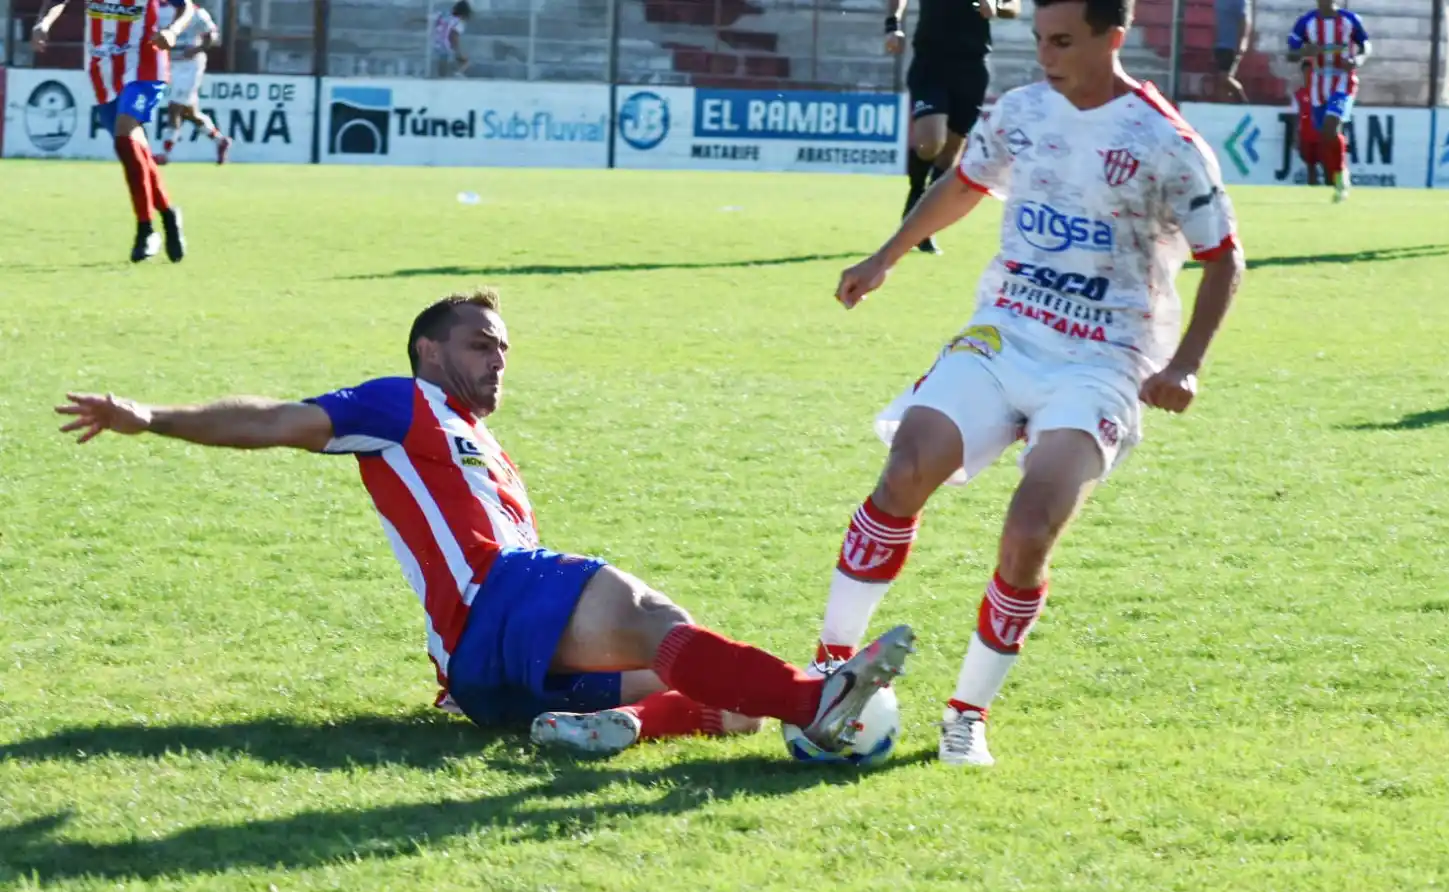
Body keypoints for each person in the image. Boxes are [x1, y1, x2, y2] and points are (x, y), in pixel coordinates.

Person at [55, 290, 914, 757]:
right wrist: (151, 416)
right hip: (494, 603)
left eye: (503, 348)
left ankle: (613, 726)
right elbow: (277, 420)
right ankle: (817, 700)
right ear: (429, 351)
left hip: (489, 678)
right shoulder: (401, 403)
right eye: (479, 344)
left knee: (728, 706)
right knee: (655, 617)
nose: (497, 358)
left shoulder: (484, 445)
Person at [814, 0, 1244, 766]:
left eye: (1064, 42)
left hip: (1103, 358)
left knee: (1030, 529)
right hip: (1005, 331)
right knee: (907, 467)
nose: (1047, 56)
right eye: (1040, 39)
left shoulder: (1167, 143)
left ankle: (966, 715)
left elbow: (1225, 259)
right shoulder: (1022, 111)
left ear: (1114, 37)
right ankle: (827, 668)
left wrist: (1185, 364)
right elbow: (965, 183)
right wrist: (885, 257)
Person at [32, 0, 194, 262]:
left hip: (145, 66)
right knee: (134, 150)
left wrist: (173, 31)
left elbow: (185, 6)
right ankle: (168, 214)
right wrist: (43, 23)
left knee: (124, 137)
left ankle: (145, 229)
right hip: (103, 69)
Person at [886, 0, 1020, 254]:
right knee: (930, 142)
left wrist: (996, 7)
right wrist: (893, 25)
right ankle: (916, 195)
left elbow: (1013, 6)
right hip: (929, 62)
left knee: (950, 151)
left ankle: (924, 226)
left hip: (972, 66)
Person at [1286, 0, 1370, 204]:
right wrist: (1305, 52)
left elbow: (1365, 45)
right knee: (1325, 134)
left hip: (1343, 81)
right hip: (1318, 84)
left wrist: (1357, 60)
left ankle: (1341, 178)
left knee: (1330, 127)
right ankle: (1339, 174)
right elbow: (1291, 53)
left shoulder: (1350, 20)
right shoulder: (1306, 22)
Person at [157, 0, 231, 166]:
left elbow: (212, 36)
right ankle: (221, 141)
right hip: (170, 65)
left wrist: (196, 49)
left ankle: (165, 154)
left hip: (190, 66)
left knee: (174, 108)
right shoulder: (159, 10)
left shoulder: (196, 13)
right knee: (189, 112)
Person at [1212, 0, 1251, 103]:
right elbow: (1217, 21)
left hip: (1230, 45)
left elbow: (1244, 22)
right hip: (1219, 45)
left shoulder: (1239, 2)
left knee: (1224, 77)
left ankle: (1244, 101)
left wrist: (1242, 43)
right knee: (1221, 81)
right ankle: (1225, 106)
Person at [1292, 61, 1322, 185]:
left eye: (1311, 72)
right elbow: (1296, 116)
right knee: (1310, 166)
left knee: (1327, 165)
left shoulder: (1323, 93)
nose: (1308, 75)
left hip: (1322, 135)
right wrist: (1296, 137)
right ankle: (1313, 189)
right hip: (1306, 135)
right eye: (1306, 72)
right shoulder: (1299, 94)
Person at [431, 1, 472, 78]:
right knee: (465, 62)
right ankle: (455, 75)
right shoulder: (459, 22)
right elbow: (453, 35)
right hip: (447, 46)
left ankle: (442, 77)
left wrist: (413, 20)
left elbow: (429, 19)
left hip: (436, 43)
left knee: (442, 65)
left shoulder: (444, 15)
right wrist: (458, 51)